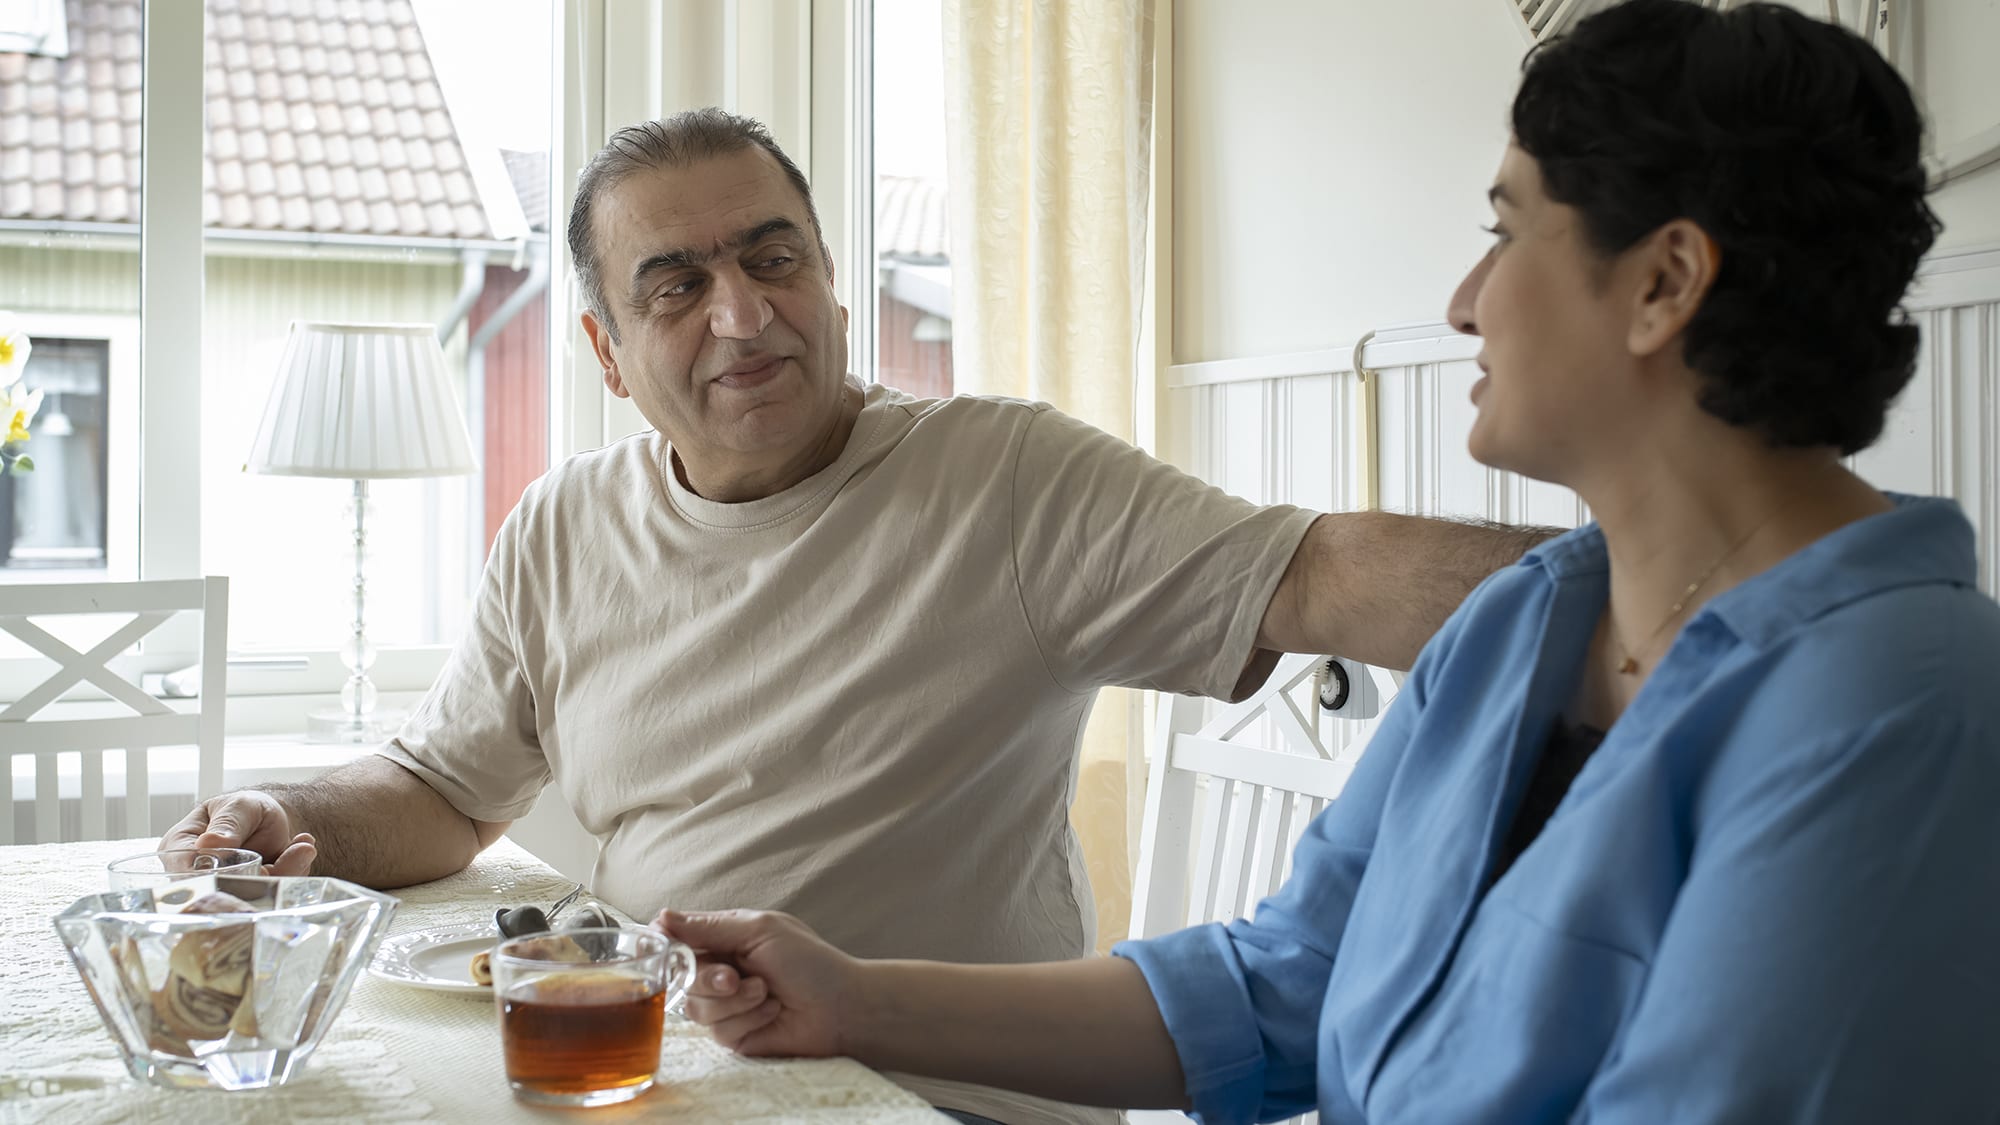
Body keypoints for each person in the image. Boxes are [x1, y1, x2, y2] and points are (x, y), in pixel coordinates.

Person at [660, 4, 2000, 1123]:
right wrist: (849, 996)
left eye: (1504, 230)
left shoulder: (1901, 704)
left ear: (1663, 283)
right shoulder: (1529, 624)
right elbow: (1279, 984)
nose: (1464, 301)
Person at [164, 110, 1545, 1123]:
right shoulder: (563, 523)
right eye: (676, 286)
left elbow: (1309, 572)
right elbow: (438, 788)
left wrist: (1689, 584)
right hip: (671, 1081)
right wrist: (276, 820)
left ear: (831, 276)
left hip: (951, 1092)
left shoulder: (1001, 475)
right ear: (604, 347)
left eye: (776, 258)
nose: (744, 314)